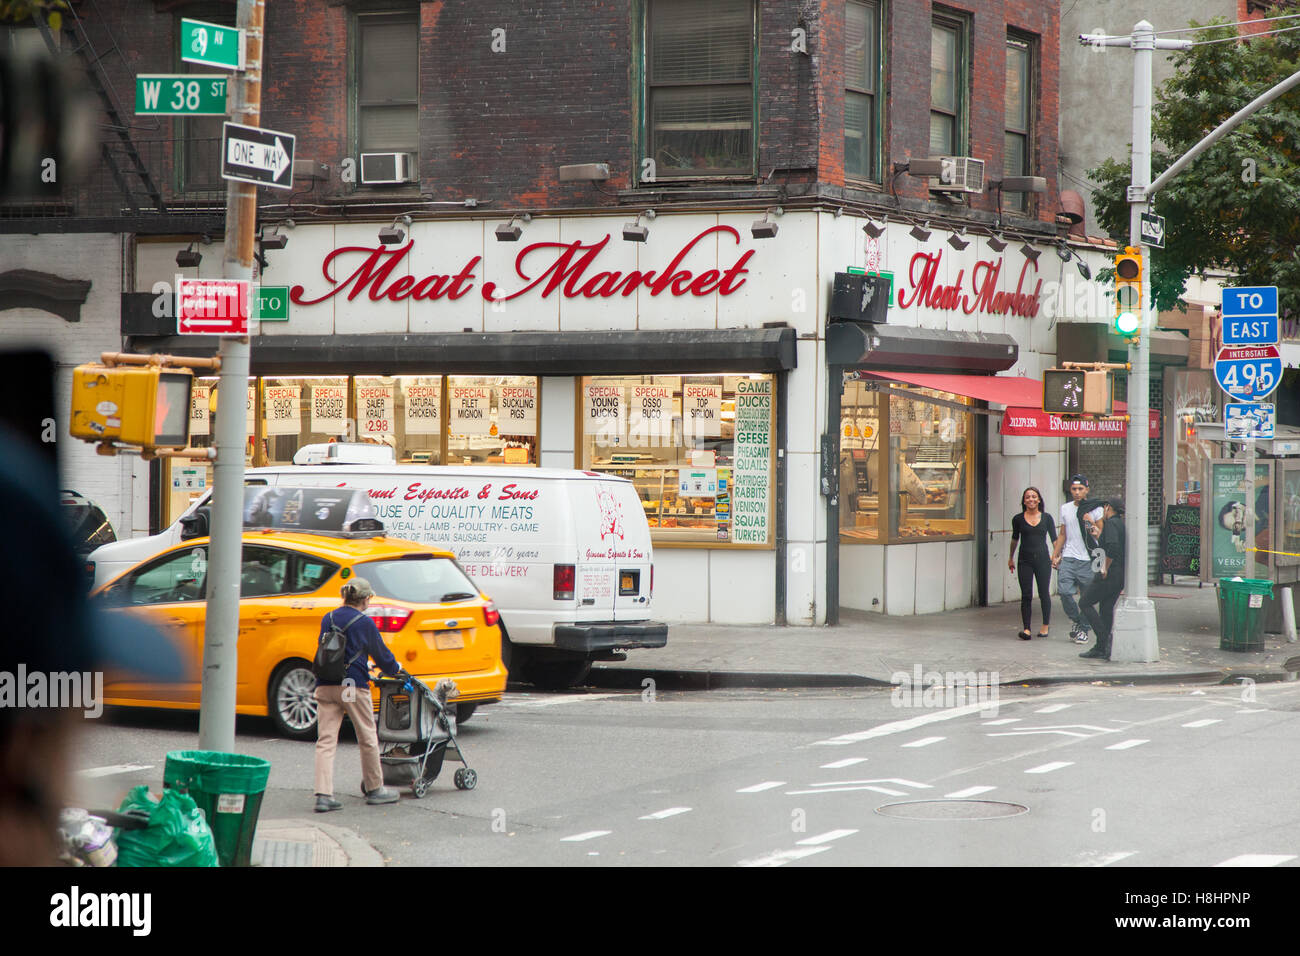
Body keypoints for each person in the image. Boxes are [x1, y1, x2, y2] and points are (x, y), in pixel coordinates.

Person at [313, 578, 406, 811]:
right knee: (367, 737)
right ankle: (375, 789)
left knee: (325, 741)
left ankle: (323, 796)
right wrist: (397, 670)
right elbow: (382, 656)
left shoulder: (329, 618)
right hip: (352, 687)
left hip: (326, 685)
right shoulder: (364, 623)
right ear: (365, 599)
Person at [1050, 474, 1105, 645]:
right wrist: (1055, 553)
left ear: (1087, 490)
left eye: (1080, 489)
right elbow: (1062, 534)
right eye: (1074, 489)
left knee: (1087, 598)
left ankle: (1083, 630)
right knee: (1065, 592)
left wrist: (1090, 522)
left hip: (1088, 558)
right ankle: (1079, 623)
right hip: (1069, 556)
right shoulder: (1065, 508)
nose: (1077, 492)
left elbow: (1101, 535)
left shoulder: (1095, 509)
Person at [1076, 497, 1127, 660]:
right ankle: (1101, 648)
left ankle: (1105, 640)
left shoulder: (1111, 523)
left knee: (1084, 602)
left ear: (1108, 508)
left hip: (1109, 574)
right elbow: (1109, 543)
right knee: (1105, 609)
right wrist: (1097, 532)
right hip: (1118, 575)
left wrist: (1104, 567)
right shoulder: (1119, 523)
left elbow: (1112, 547)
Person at [1008, 486, 1058, 640]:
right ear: (1024, 501)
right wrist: (1010, 557)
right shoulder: (1017, 519)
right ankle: (1027, 629)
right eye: (1028, 497)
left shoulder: (1047, 518)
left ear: (1039, 500)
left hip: (1043, 560)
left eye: (1034, 496)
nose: (1031, 499)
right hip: (1024, 560)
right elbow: (1015, 539)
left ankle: (1045, 625)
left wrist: (1056, 556)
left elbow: (1054, 539)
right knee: (1026, 594)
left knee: (1044, 593)